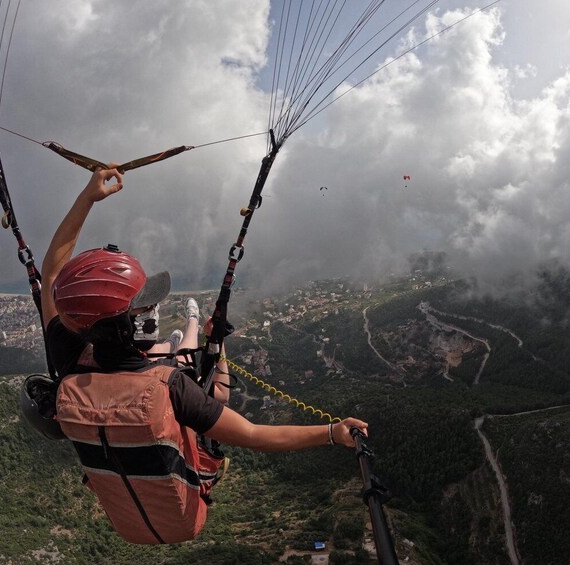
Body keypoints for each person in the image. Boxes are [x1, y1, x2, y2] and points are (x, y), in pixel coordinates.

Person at [40, 164, 368, 544]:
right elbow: (255, 434)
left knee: (181, 361)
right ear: (125, 326)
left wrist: (86, 198)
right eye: (143, 306)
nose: (151, 309)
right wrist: (331, 433)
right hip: (185, 513)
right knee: (195, 373)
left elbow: (51, 275)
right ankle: (196, 332)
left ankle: (191, 332)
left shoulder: (69, 358)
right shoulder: (171, 387)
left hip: (126, 522)